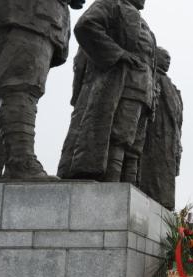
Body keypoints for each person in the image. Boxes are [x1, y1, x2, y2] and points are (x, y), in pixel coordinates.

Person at [57, 0, 156, 182]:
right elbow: (85, 26)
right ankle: (110, 184)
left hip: (141, 91)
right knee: (116, 135)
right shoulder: (111, 4)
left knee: (129, 140)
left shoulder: (144, 23)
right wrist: (117, 53)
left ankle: (121, 184)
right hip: (118, 85)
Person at [0, 0, 85, 179]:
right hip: (28, 16)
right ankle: (20, 162)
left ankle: (8, 163)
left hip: (38, 19)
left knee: (10, 90)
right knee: (20, 88)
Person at [138, 47, 183, 209]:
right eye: (165, 57)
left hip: (170, 138)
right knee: (154, 174)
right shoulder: (152, 77)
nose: (168, 60)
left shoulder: (171, 85)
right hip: (155, 134)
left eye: (169, 58)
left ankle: (164, 203)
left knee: (165, 174)